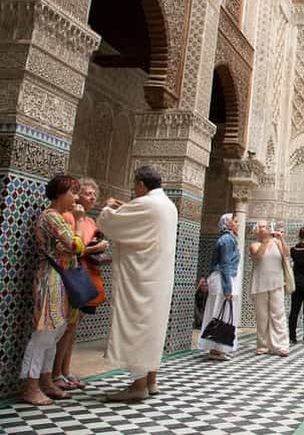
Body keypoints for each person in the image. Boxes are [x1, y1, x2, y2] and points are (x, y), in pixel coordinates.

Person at [97, 165, 178, 401]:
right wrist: (126, 208)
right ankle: (151, 380)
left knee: (139, 328)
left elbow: (110, 223)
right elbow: (139, 219)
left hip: (142, 279)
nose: (134, 189)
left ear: (141, 184)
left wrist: (107, 207)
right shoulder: (168, 205)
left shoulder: (148, 204)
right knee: (152, 328)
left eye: (135, 185)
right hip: (158, 279)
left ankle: (138, 385)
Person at [19, 175, 85, 406]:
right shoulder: (51, 217)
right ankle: (31, 385)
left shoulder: (58, 219)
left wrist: (73, 242)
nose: (76, 198)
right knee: (44, 332)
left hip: (61, 279)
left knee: (56, 330)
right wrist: (77, 223)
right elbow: (76, 245)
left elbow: (74, 247)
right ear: (59, 193)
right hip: (51, 279)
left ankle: (46, 380)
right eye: (73, 192)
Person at [53, 178, 110, 391]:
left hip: (87, 276)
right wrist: (94, 250)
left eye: (94, 194)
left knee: (73, 327)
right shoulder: (68, 217)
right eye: (87, 193)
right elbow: (69, 248)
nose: (91, 197)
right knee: (66, 326)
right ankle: (56, 373)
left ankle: (65, 371)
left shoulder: (90, 222)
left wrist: (99, 249)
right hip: (72, 276)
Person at [198, 214, 241, 361]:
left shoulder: (228, 239)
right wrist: (228, 288)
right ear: (228, 224)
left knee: (221, 312)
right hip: (223, 280)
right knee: (219, 312)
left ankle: (219, 348)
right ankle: (216, 349)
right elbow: (224, 265)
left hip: (224, 279)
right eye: (235, 221)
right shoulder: (227, 240)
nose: (238, 224)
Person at [250, 221, 290, 356]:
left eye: (266, 226)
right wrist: (266, 240)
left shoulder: (277, 243)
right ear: (257, 231)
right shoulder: (255, 245)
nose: (265, 228)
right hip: (260, 284)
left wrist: (281, 239)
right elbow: (259, 256)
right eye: (262, 226)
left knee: (278, 314)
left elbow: (286, 254)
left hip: (277, 283)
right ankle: (263, 345)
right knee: (262, 316)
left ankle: (281, 345)